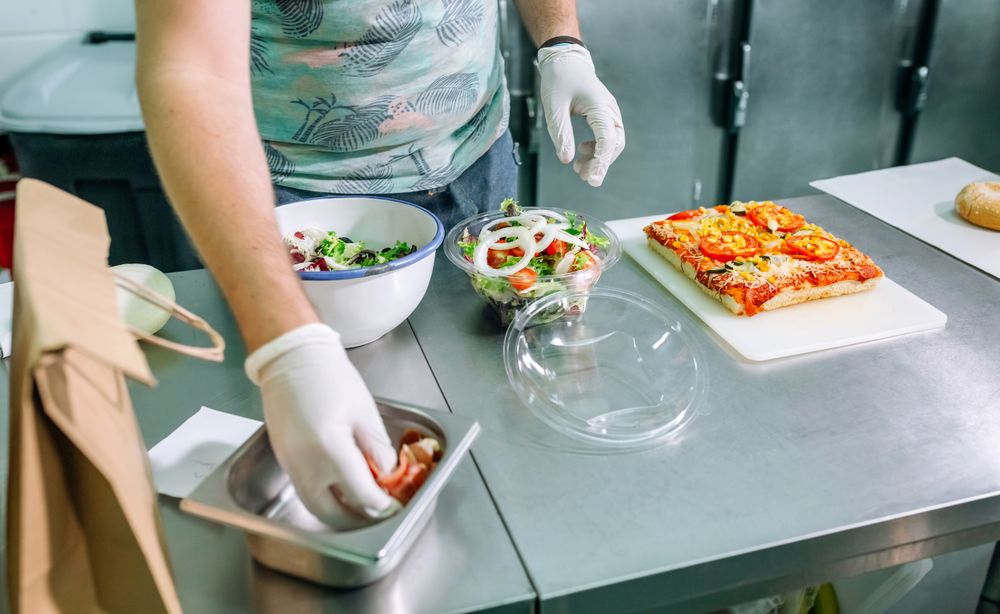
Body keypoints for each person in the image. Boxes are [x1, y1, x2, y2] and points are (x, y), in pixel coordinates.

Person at [134, 0, 624, 529]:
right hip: (288, 199)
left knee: (490, 447)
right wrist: (289, 351)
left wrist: (561, 46)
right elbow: (191, 70)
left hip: (473, 159)